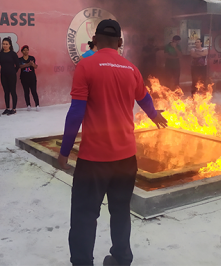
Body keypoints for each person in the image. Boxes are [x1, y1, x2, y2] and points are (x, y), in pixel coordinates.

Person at [58, 19, 168, 266]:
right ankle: (121, 258)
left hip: (94, 160)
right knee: (120, 211)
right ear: (120, 43)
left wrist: (65, 151)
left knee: (85, 216)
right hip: (126, 159)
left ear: (95, 40)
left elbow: (76, 113)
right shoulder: (131, 69)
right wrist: (154, 116)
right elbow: (145, 98)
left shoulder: (86, 66)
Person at [0, 37, 20, 115]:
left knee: (12, 91)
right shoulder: (0, 54)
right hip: (3, 75)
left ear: (10, 45)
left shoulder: (13, 54)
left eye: (6, 44)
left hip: (12, 75)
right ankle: (7, 108)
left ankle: (13, 109)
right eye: (3, 44)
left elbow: (17, 65)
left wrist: (13, 72)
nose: (5, 45)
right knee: (6, 92)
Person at [19, 45, 40, 111]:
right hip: (24, 78)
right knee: (26, 92)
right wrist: (28, 64)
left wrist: (32, 64)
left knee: (34, 91)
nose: (26, 51)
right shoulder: (20, 59)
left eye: (27, 50)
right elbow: (20, 66)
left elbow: (35, 66)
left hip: (32, 77)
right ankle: (28, 105)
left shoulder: (32, 58)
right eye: (24, 50)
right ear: (22, 51)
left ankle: (37, 105)